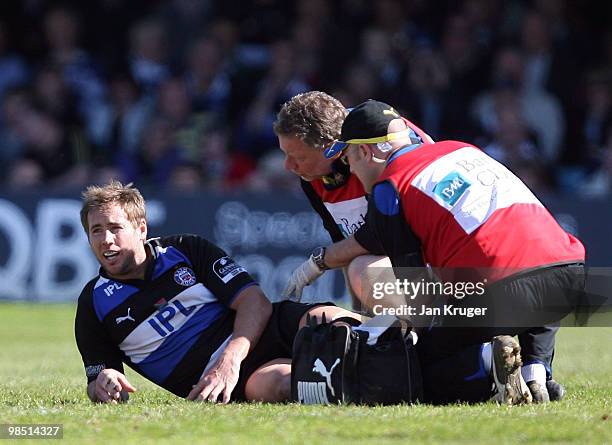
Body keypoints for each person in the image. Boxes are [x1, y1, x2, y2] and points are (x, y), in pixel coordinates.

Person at [292, 99, 586, 403]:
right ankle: (536, 375)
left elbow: (415, 289)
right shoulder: (460, 148)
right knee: (535, 290)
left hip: (503, 290)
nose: (349, 167)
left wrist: (402, 335)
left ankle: (487, 362)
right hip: (569, 273)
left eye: (349, 156)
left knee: (416, 367)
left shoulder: (389, 189)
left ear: (365, 151)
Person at [74, 180, 358, 404]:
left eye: (115, 228)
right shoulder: (94, 303)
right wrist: (104, 382)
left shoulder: (184, 249)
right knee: (286, 384)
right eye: (96, 231)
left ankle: (395, 347)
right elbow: (100, 379)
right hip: (232, 379)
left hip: (259, 332)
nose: (106, 240)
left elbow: (254, 302)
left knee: (333, 321)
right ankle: (378, 383)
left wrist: (230, 359)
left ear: (141, 229)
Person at [273, 91, 433, 310]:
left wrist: (319, 261)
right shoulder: (313, 176)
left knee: (365, 269)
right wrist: (360, 315)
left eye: (299, 157)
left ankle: (425, 329)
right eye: (285, 154)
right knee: (358, 268)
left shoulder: (377, 147)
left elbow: (381, 234)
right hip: (403, 259)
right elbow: (345, 245)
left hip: (440, 262)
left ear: (331, 149)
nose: (288, 167)